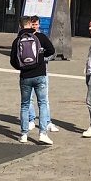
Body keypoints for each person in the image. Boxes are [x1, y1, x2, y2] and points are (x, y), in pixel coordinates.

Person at [10, 15, 56, 144]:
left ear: (20, 26)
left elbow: (13, 60)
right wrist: (40, 57)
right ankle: (42, 133)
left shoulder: (17, 40)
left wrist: (22, 67)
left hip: (25, 76)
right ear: (31, 25)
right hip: (40, 74)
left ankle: (24, 134)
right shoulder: (40, 37)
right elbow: (51, 50)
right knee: (42, 103)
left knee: (25, 104)